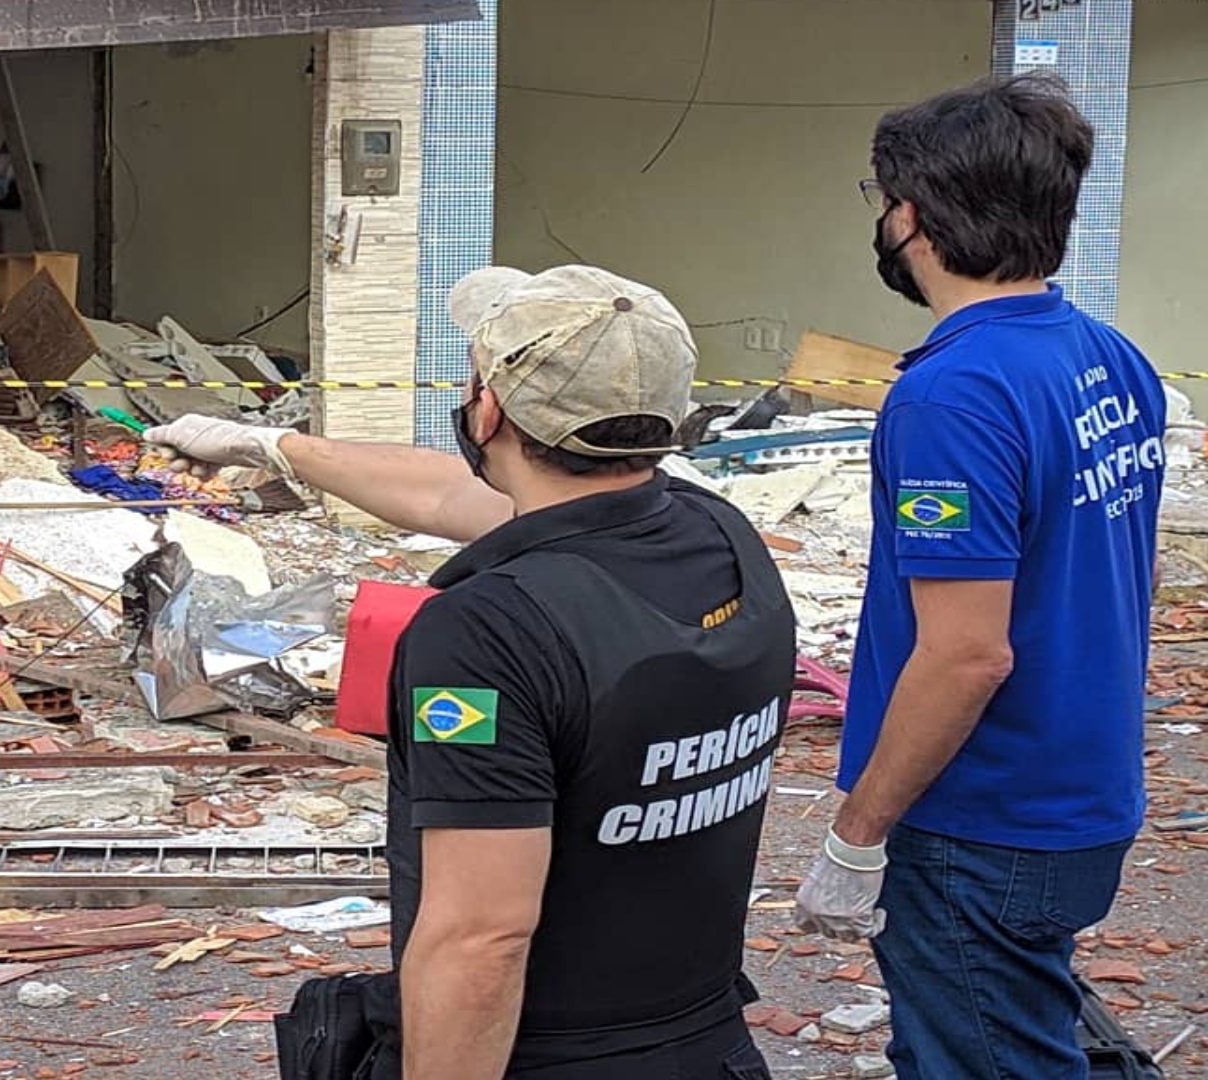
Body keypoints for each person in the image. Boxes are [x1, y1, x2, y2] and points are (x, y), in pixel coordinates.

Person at [148, 266, 796, 1079]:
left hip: (542, 1056)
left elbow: (481, 939)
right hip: (705, 1045)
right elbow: (457, 498)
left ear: (487, 407)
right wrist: (274, 444)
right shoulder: (716, 534)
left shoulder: (489, 630)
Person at [791, 73, 1167, 1079]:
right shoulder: (1110, 356)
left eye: (878, 201)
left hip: (978, 819)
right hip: (1078, 790)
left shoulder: (951, 396)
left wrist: (857, 835)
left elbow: (965, 653)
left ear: (911, 216)